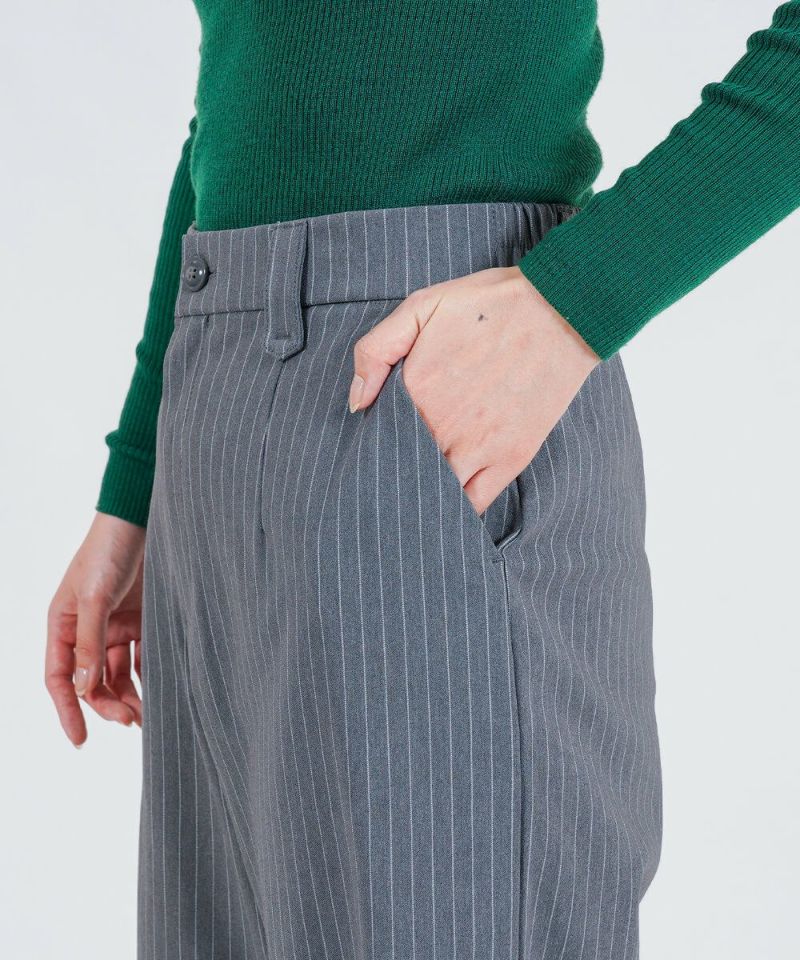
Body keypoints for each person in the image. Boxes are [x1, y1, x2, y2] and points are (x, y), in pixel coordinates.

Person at [45, 3, 800, 958]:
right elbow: (247, 82)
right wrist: (133, 492)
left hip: (444, 373)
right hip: (213, 408)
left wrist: (577, 295)